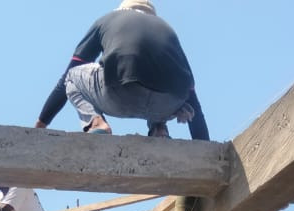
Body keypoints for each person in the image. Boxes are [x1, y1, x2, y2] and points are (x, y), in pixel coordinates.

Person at [35, 1, 209, 140]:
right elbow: (193, 98)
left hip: (120, 95)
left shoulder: (108, 20)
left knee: (72, 77)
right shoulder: (167, 30)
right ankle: (160, 131)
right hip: (166, 107)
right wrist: (205, 147)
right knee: (157, 75)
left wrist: (40, 126)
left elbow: (69, 74)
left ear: (122, 10)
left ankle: (96, 123)